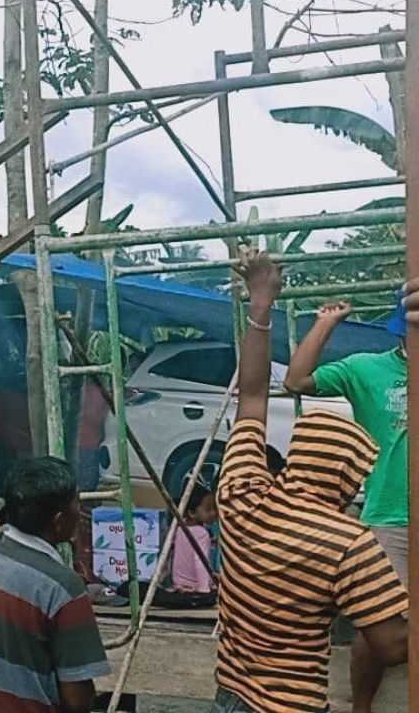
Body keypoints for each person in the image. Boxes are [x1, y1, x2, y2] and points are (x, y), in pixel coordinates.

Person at [212, 252, 408, 713]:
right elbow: (395, 648)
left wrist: (261, 304)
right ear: (351, 476)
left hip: (231, 694)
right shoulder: (346, 543)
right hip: (291, 704)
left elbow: (253, 395)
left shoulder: (241, 493)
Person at [284, 293, 408, 713]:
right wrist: (326, 323)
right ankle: (362, 708)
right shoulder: (366, 368)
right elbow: (296, 381)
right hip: (391, 516)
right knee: (377, 630)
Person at [0, 457, 110, 713]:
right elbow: (78, 698)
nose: (79, 509)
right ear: (59, 520)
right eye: (76, 502)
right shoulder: (61, 587)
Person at [170, 484, 217, 594]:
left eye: (214, 508)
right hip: (195, 585)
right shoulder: (202, 533)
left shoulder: (180, 528)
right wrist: (204, 589)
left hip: (179, 584)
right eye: (208, 509)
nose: (213, 513)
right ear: (192, 513)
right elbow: (201, 561)